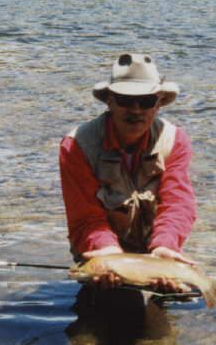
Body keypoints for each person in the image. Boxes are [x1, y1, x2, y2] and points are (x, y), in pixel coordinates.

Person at [59, 53, 196, 292]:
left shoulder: (175, 141)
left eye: (145, 101)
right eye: (125, 100)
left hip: (156, 251)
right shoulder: (76, 146)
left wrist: (165, 246)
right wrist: (107, 253)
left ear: (159, 102)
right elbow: (85, 218)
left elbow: (177, 203)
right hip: (101, 252)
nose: (135, 110)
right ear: (109, 101)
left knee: (162, 306)